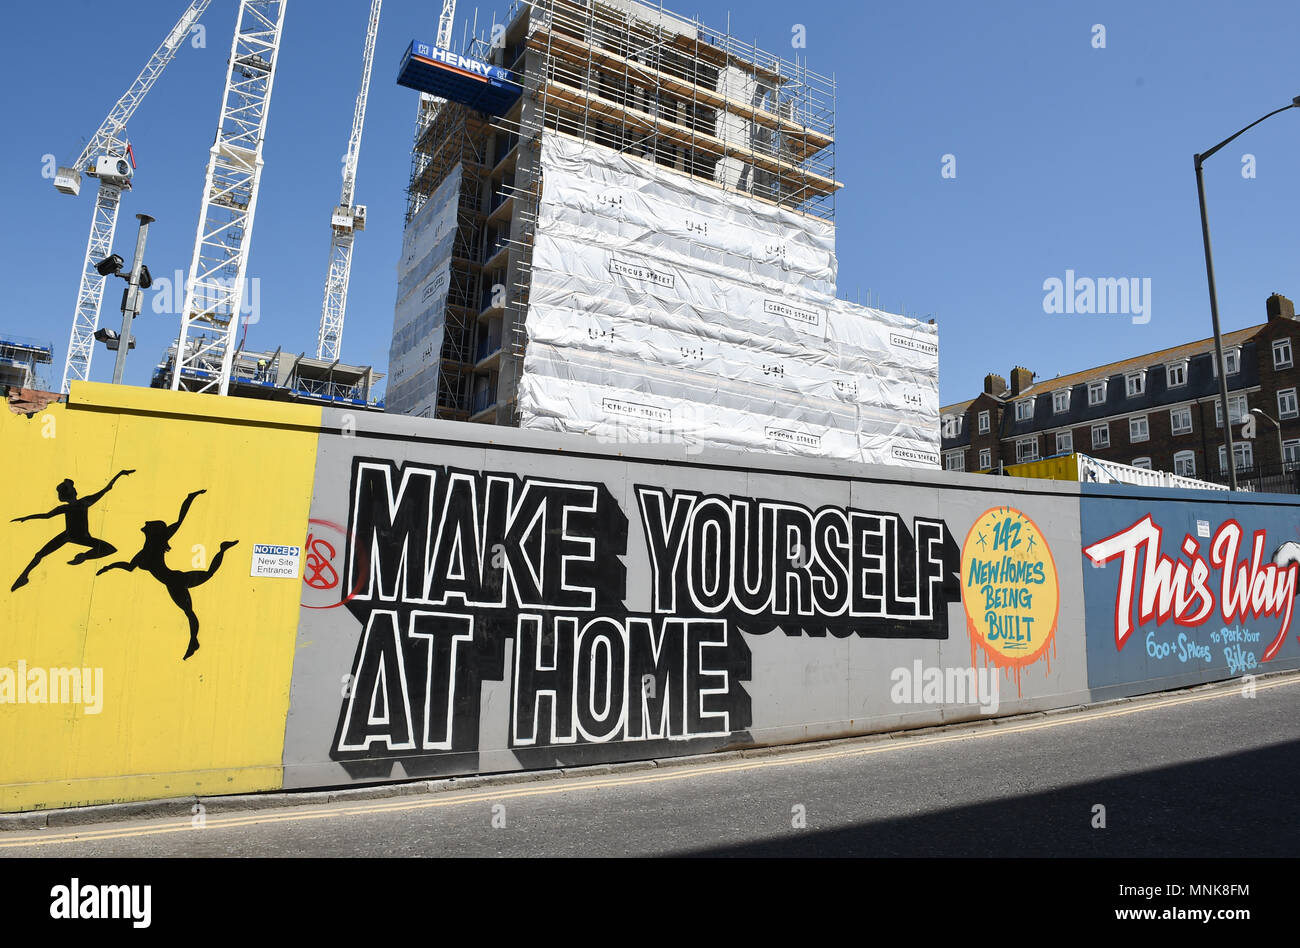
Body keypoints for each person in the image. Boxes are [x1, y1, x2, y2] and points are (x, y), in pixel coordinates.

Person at [96, 489, 238, 661]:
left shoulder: (153, 545)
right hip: (174, 580)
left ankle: (193, 641)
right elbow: (128, 566)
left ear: (153, 531)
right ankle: (222, 548)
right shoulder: (144, 552)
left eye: (148, 524)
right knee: (202, 586)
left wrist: (189, 498)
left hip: (175, 581)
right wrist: (109, 566)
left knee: (191, 608)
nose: (146, 523)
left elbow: (180, 520)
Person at [10, 470, 134, 591]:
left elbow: (46, 516)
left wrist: (26, 518)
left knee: (40, 554)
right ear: (72, 493)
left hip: (69, 535)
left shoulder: (73, 505)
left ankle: (24, 576)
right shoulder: (84, 502)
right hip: (79, 537)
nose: (75, 489)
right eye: (73, 488)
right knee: (110, 548)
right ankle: (24, 577)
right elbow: (106, 489)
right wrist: (120, 474)